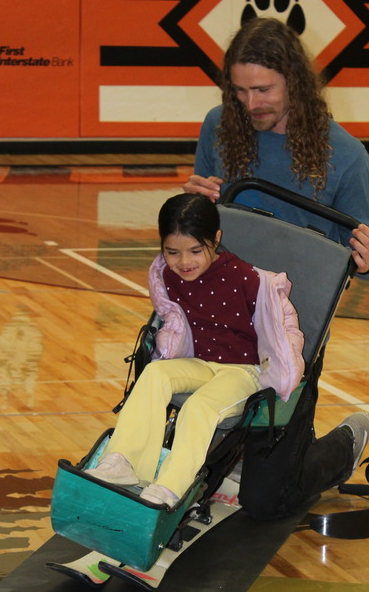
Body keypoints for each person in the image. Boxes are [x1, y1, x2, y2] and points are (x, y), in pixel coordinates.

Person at [183, 16, 369, 519]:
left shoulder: (346, 156)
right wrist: (194, 211)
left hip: (292, 336)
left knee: (264, 500)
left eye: (263, 89)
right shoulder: (219, 127)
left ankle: (343, 442)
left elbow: (363, 268)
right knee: (186, 469)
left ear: (295, 81)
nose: (251, 104)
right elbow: (197, 236)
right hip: (216, 319)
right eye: (239, 91)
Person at [85, 191, 304, 509]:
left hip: (245, 371)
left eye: (195, 251)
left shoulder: (249, 280)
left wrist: (285, 365)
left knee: (199, 408)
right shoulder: (165, 275)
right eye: (173, 252)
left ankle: (171, 487)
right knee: (156, 373)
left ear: (216, 239)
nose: (184, 262)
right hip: (199, 363)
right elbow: (171, 317)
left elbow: (285, 327)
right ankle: (123, 462)